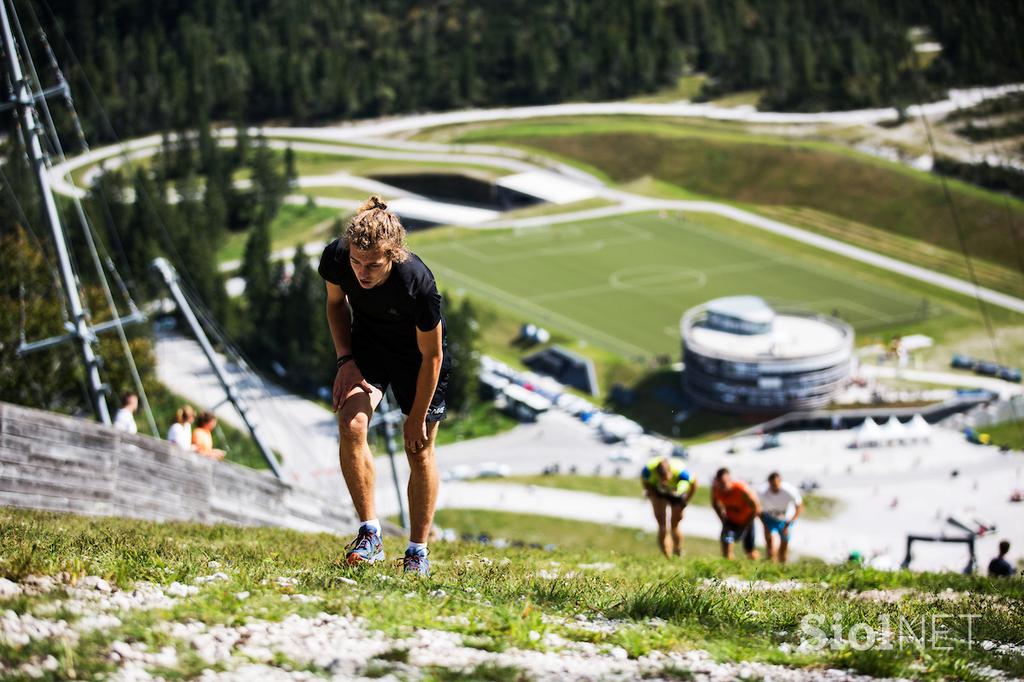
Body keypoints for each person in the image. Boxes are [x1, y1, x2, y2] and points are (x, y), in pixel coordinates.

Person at [318, 195, 451, 576]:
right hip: (370, 346)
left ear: (393, 255)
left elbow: (433, 357)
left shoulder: (418, 284)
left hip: (418, 360)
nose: (362, 272)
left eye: (373, 265)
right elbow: (335, 304)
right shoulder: (337, 257)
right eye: (357, 262)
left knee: (419, 449)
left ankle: (417, 553)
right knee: (352, 425)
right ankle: (369, 534)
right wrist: (345, 360)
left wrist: (417, 416)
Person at [640, 456, 697, 558]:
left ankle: (678, 550)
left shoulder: (681, 473)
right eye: (662, 480)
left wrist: (685, 501)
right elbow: (644, 481)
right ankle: (667, 556)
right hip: (657, 491)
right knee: (662, 526)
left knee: (674, 525)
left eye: (666, 479)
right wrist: (650, 492)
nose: (665, 483)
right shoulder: (648, 470)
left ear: (670, 473)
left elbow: (694, 483)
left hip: (677, 491)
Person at [711, 467, 761, 560]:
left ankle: (756, 569)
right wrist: (722, 519)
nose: (723, 487)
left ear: (730, 480)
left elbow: (756, 507)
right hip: (731, 521)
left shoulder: (741, 489)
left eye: (724, 483)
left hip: (746, 521)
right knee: (727, 541)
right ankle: (728, 566)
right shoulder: (716, 489)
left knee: (750, 550)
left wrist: (747, 523)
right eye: (720, 483)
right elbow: (714, 503)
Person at [758, 471, 804, 564]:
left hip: (786, 519)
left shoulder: (789, 490)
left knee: (784, 545)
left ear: (780, 482)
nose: (774, 488)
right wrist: (763, 523)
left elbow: (799, 506)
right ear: (769, 483)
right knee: (770, 544)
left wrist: (791, 522)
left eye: (776, 485)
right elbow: (756, 507)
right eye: (772, 485)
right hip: (769, 517)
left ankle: (782, 566)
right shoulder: (762, 491)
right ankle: (770, 564)